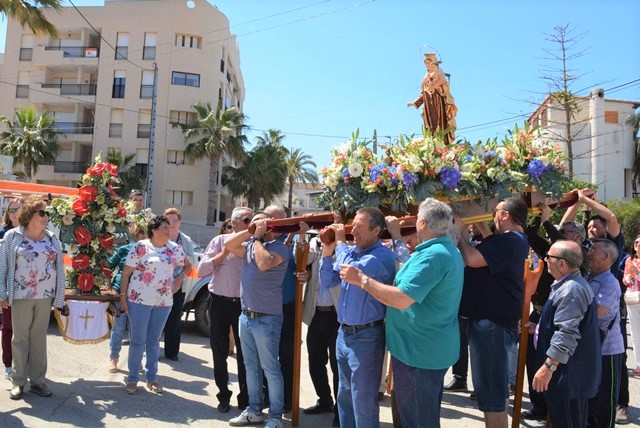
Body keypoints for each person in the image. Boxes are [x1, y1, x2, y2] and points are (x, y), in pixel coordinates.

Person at [341, 198, 464, 427]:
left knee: (417, 421)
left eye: (417, 218)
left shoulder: (434, 255)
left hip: (419, 354)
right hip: (423, 350)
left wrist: (362, 280)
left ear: (423, 223)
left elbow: (400, 299)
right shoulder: (442, 249)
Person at [454, 197, 529, 428]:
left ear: (505, 215)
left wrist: (459, 235)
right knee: (493, 392)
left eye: (495, 211)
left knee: (492, 395)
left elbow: (472, 258)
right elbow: (491, 244)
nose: (491, 215)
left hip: (491, 326)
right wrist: (479, 225)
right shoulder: (511, 240)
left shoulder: (510, 241)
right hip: (493, 324)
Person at [320, 207, 396, 428]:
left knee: (362, 401)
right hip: (343, 333)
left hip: (367, 337)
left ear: (377, 230)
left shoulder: (382, 255)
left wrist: (340, 241)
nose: (353, 231)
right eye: (353, 225)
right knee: (344, 397)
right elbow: (327, 282)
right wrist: (327, 250)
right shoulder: (352, 251)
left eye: (360, 227)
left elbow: (350, 271)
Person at [225, 211, 290, 428]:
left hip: (267, 318)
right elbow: (229, 245)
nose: (260, 225)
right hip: (247, 316)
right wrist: (249, 231)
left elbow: (263, 264)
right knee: (250, 366)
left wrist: (259, 237)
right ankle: (254, 410)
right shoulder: (252, 244)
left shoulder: (279, 247)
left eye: (264, 222)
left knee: (270, 368)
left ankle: (275, 416)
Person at [0, 195, 67, 400]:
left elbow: (59, 269)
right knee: (20, 339)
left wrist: (60, 298)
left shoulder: (51, 238)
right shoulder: (13, 236)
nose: (46, 216)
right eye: (42, 212)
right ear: (30, 215)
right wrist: (2, 293)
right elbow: (2, 266)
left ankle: (38, 381)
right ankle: (18, 381)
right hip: (20, 294)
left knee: (39, 339)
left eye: (47, 212)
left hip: (45, 296)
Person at [531, 240, 602, 427]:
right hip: (566, 375)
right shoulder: (567, 284)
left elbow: (567, 333)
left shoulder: (572, 289)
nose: (545, 259)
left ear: (562, 263)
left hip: (569, 378)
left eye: (549, 257)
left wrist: (548, 367)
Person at [119, 215, 191, 395]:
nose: (169, 230)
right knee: (137, 340)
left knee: (153, 341)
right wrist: (122, 298)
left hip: (164, 302)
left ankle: (152, 378)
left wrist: (179, 279)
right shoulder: (140, 247)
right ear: (154, 230)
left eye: (170, 227)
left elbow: (188, 266)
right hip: (138, 301)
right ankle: (133, 378)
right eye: (165, 227)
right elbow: (126, 274)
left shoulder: (175, 249)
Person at [198, 206, 253, 413]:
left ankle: (245, 397)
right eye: (247, 220)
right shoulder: (219, 242)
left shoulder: (253, 244)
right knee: (219, 351)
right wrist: (224, 253)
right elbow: (202, 270)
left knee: (245, 354)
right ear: (235, 222)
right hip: (219, 302)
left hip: (243, 305)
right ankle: (223, 395)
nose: (251, 224)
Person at [300, 232, 341, 427]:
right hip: (316, 314)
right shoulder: (315, 244)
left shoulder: (343, 247)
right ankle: (325, 401)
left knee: (337, 366)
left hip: (337, 316)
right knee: (315, 362)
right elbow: (299, 260)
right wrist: (303, 237)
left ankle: (341, 412)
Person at [586, 239, 625, 427]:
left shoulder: (610, 282)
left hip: (607, 351)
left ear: (606, 256)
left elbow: (596, 313)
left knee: (603, 404)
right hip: (589, 349)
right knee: (589, 403)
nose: (589, 252)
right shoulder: (587, 277)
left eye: (594, 249)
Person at [107, 224, 147, 373]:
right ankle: (113, 358)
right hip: (119, 293)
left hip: (139, 295)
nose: (141, 237)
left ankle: (136, 361)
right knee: (118, 328)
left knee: (136, 330)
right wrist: (109, 286)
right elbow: (108, 266)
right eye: (138, 234)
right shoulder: (124, 249)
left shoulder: (149, 252)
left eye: (144, 234)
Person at [163, 207, 196, 361]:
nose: (172, 223)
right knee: (157, 319)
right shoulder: (159, 237)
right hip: (159, 284)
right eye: (168, 220)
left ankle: (172, 352)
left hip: (179, 284)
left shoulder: (186, 240)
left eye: (175, 220)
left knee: (175, 319)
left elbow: (191, 260)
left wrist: (180, 273)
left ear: (180, 222)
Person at [407, 52, 458, 143]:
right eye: (425, 63)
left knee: (439, 123)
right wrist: (415, 103)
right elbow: (423, 93)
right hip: (428, 106)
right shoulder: (425, 78)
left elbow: (445, 88)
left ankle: (442, 143)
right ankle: (432, 144)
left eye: (428, 63)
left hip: (438, 103)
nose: (426, 65)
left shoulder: (439, 73)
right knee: (430, 125)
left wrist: (435, 86)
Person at [0, 197, 23, 380]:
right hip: (7, 289)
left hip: (25, 290)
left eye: (19, 209)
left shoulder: (32, 233)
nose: (14, 212)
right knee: (8, 328)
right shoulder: (3, 233)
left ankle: (24, 365)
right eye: (12, 209)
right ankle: (8, 364)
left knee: (25, 331)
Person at [623, 235, 640, 376]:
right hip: (633, 300)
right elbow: (625, 280)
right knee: (635, 333)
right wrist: (632, 275)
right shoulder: (630, 261)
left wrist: (638, 274)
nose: (638, 245)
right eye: (636, 243)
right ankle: (639, 364)